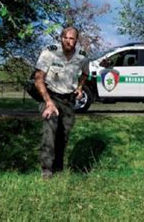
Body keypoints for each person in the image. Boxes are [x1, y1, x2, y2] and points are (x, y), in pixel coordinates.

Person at [34, 26, 89, 179]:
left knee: (63, 134)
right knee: (50, 129)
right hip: (50, 96)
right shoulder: (50, 52)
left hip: (68, 99)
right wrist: (48, 102)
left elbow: (85, 73)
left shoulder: (82, 56)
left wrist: (79, 87)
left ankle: (58, 168)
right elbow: (38, 79)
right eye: (66, 37)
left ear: (76, 41)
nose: (68, 41)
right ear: (61, 38)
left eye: (72, 38)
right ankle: (46, 170)